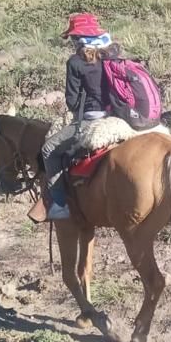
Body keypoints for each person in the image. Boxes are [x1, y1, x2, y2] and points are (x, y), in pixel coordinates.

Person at [41, 13, 113, 220]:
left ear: (80, 39)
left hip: (91, 119)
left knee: (48, 150)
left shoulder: (75, 62)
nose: (72, 42)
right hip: (116, 116)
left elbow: (72, 100)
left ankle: (60, 204)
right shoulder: (111, 54)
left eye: (73, 38)